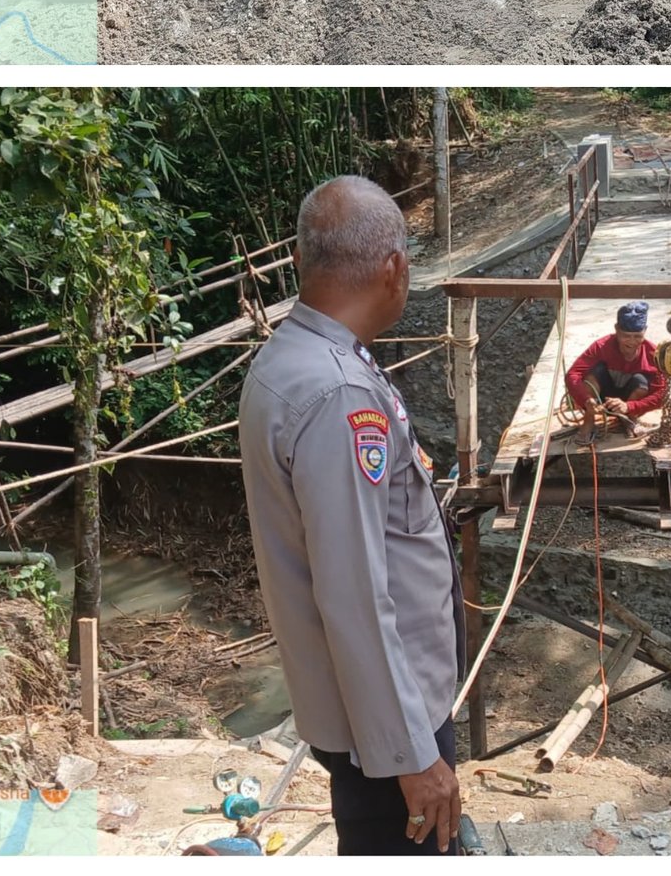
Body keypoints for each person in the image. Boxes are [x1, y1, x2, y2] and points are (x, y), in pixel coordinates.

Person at [238, 177, 463, 857]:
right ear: (394, 268)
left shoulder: (296, 360)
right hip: (387, 732)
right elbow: (355, 595)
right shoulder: (338, 394)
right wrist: (412, 754)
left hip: (370, 716)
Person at [564, 301, 668, 443]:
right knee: (593, 373)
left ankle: (629, 418)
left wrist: (630, 406)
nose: (631, 342)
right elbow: (573, 375)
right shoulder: (601, 347)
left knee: (641, 380)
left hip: (630, 400)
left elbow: (663, 393)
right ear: (616, 329)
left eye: (637, 336)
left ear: (645, 331)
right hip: (600, 399)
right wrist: (586, 399)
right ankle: (589, 420)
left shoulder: (652, 354)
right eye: (626, 336)